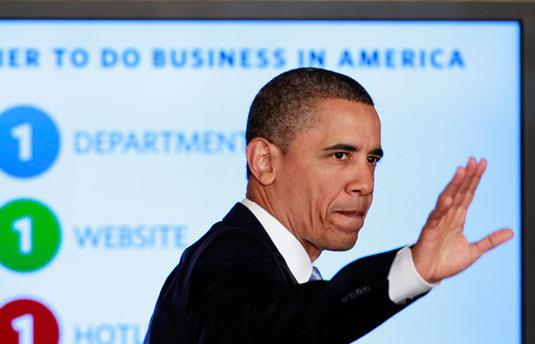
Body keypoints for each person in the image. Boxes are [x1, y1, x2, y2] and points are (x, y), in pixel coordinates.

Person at [143, 68, 514, 343]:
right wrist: (411, 269)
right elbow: (261, 331)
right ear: (264, 162)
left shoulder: (265, 261)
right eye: (339, 155)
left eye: (372, 160)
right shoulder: (229, 255)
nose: (365, 184)